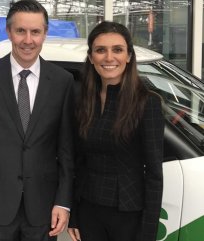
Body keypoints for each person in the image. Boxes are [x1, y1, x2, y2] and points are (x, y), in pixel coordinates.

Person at [0, 0, 75, 241]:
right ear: (8, 32)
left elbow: (67, 149)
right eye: (20, 31)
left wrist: (64, 202)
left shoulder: (62, 82)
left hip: (44, 205)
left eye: (35, 32)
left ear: (45, 33)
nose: (28, 40)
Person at [67, 21, 164, 241]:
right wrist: (74, 213)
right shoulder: (82, 101)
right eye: (101, 50)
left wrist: (148, 232)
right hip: (89, 211)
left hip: (128, 214)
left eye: (117, 50)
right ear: (91, 58)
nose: (109, 58)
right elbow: (77, 161)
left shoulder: (147, 103)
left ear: (129, 56)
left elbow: (155, 174)